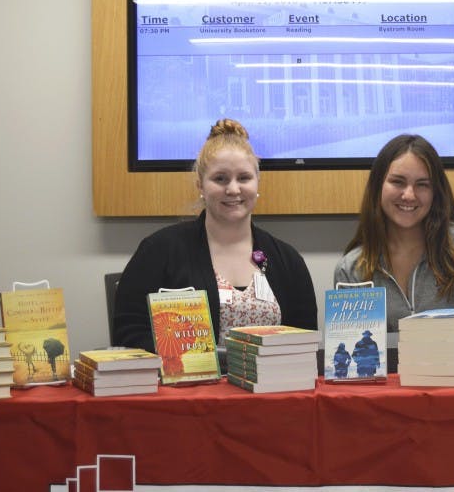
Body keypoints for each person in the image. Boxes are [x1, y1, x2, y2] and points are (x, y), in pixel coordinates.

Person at [114, 119, 318, 352]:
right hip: (189, 388)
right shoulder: (159, 252)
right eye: (220, 179)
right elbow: (127, 332)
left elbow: (305, 342)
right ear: (200, 185)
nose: (233, 189)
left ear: (257, 182)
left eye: (244, 178)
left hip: (274, 388)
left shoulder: (287, 260)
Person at [334, 134, 454, 343]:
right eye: (398, 182)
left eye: (422, 184)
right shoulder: (351, 269)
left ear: (436, 192)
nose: (409, 195)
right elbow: (356, 357)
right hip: (391, 376)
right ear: (378, 186)